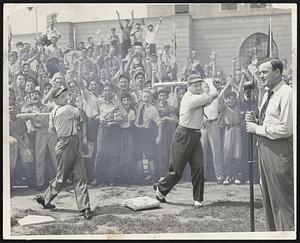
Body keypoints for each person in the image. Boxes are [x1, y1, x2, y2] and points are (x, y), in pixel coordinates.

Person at [153, 74, 218, 207]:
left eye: (200, 85)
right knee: (176, 171)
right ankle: (161, 189)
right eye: (195, 85)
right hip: (183, 135)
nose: (198, 87)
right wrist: (209, 83)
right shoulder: (189, 98)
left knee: (199, 167)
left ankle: (198, 200)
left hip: (195, 134)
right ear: (188, 87)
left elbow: (210, 97)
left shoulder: (198, 96)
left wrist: (206, 86)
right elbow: (214, 94)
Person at [245, 58, 293, 231]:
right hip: (264, 148)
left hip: (279, 150)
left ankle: (287, 232)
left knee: (283, 199)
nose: (260, 75)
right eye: (259, 72)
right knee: (269, 198)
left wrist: (257, 128)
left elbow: (286, 129)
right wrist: (255, 120)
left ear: (278, 72)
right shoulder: (267, 93)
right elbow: (268, 121)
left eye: (264, 72)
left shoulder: (287, 93)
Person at [35, 86, 92, 220]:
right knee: (61, 178)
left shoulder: (53, 112)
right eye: (62, 97)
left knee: (80, 175)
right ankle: (45, 198)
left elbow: (52, 131)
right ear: (55, 99)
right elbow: (79, 112)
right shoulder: (65, 109)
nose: (66, 98)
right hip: (66, 143)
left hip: (70, 141)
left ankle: (85, 207)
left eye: (66, 96)